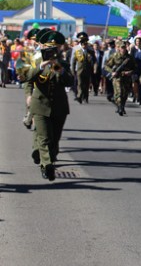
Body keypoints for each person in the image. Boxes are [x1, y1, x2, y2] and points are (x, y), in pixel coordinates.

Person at [26, 31, 73, 181]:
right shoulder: (36, 61)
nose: (52, 52)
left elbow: (70, 81)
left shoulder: (62, 63)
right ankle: (47, 166)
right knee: (44, 138)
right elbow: (27, 77)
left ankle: (49, 160)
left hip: (59, 107)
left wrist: (58, 68)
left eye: (55, 49)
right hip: (40, 105)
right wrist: (41, 66)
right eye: (49, 49)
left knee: (54, 139)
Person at [104, 40, 137, 116]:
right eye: (121, 48)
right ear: (119, 48)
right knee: (118, 93)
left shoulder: (129, 58)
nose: (123, 49)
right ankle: (119, 107)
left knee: (125, 94)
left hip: (126, 78)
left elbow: (135, 68)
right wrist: (112, 71)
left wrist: (130, 72)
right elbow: (106, 66)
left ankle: (122, 106)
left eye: (124, 47)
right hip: (117, 78)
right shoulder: (115, 56)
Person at [70, 32, 95, 104]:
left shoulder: (90, 49)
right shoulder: (76, 49)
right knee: (80, 84)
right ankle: (79, 96)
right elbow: (72, 61)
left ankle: (85, 97)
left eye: (85, 41)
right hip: (78, 69)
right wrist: (72, 70)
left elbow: (94, 60)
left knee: (86, 84)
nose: (84, 44)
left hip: (87, 70)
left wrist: (94, 69)